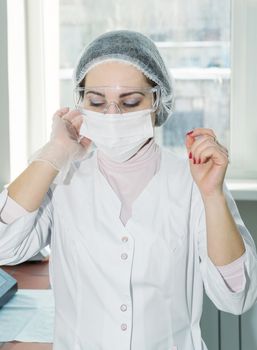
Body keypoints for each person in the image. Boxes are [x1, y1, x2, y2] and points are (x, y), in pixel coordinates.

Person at [0, 30, 257, 350]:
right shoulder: (63, 177)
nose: (112, 115)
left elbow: (237, 296)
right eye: (96, 101)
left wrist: (213, 197)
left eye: (130, 101)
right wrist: (53, 154)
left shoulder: (194, 181)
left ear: (157, 100)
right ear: (81, 103)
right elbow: (4, 245)